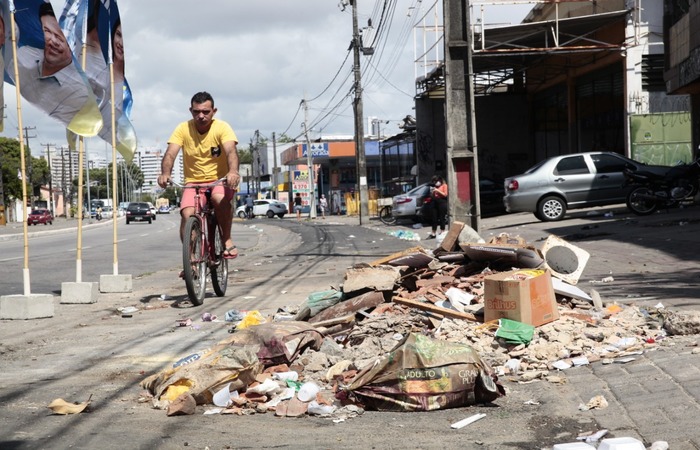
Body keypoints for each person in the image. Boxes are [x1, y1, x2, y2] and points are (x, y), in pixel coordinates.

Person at [157, 91, 241, 266]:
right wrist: (165, 173)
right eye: (196, 112)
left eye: (205, 111)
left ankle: (226, 240)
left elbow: (231, 151)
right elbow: (170, 154)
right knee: (187, 214)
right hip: (193, 183)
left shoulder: (222, 127)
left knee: (219, 199)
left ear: (214, 111)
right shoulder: (183, 129)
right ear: (191, 111)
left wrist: (233, 171)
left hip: (219, 180)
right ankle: (191, 260)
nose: (201, 116)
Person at [7, 2, 101, 136]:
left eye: (58, 35)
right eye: (47, 32)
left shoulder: (80, 90)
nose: (52, 40)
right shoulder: (25, 56)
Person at [427, 174, 448, 239]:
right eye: (434, 182)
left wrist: (437, 190)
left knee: (442, 218)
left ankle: (442, 231)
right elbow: (432, 196)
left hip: (442, 202)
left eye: (436, 181)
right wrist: (432, 192)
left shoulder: (444, 185)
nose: (436, 183)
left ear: (440, 180)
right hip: (435, 202)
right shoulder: (435, 187)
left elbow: (445, 194)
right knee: (434, 218)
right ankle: (433, 233)